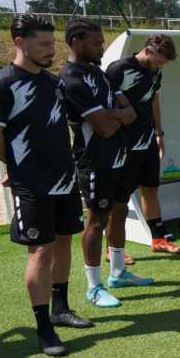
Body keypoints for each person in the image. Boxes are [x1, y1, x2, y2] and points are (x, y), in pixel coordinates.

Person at [0, 14, 91, 356]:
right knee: (41, 250)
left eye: (53, 43)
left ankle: (61, 309)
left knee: (64, 242)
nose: (52, 50)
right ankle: (44, 327)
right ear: (20, 42)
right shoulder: (3, 84)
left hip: (64, 177)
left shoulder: (53, 82)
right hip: (32, 183)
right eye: (44, 44)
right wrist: (17, 167)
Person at [60, 18, 152, 309]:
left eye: (102, 41)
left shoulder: (101, 75)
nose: (101, 47)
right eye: (95, 42)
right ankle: (93, 286)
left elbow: (132, 113)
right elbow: (104, 127)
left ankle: (118, 273)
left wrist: (112, 114)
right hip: (94, 161)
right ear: (76, 41)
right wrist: (116, 115)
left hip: (119, 157)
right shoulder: (71, 78)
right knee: (96, 220)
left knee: (120, 211)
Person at [105, 34, 180, 254]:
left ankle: (159, 240)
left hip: (147, 139)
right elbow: (105, 105)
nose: (160, 66)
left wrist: (159, 133)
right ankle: (111, 249)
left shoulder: (155, 71)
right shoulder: (118, 69)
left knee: (151, 189)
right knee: (118, 198)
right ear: (148, 50)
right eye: (159, 61)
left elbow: (154, 101)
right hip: (122, 142)